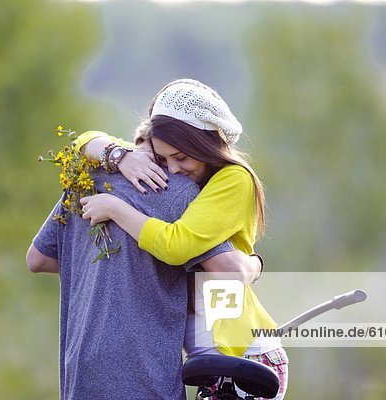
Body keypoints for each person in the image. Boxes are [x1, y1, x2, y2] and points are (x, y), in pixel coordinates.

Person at [75, 79, 288, 399]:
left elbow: (177, 246)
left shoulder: (235, 180)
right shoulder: (188, 185)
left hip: (243, 359)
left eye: (182, 157)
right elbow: (82, 142)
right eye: (164, 160)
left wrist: (115, 208)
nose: (173, 170)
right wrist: (122, 156)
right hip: (211, 366)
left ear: (206, 146)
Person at [27, 141, 262, 399]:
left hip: (80, 372)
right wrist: (256, 264)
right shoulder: (178, 194)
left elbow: (37, 259)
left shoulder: (86, 179)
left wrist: (100, 264)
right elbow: (229, 271)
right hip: (145, 377)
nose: (174, 167)